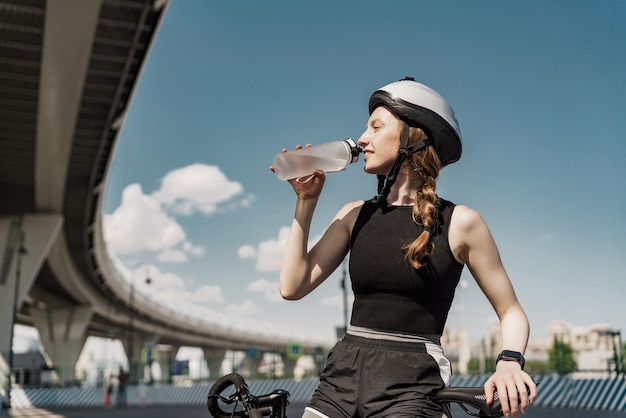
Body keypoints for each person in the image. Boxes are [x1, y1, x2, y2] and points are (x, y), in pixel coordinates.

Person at [271, 77, 538, 418]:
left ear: (412, 137)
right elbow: (292, 286)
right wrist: (306, 202)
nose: (362, 139)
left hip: (412, 387)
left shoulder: (461, 222)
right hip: (340, 379)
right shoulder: (354, 215)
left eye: (376, 127)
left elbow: (511, 311)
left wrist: (509, 363)